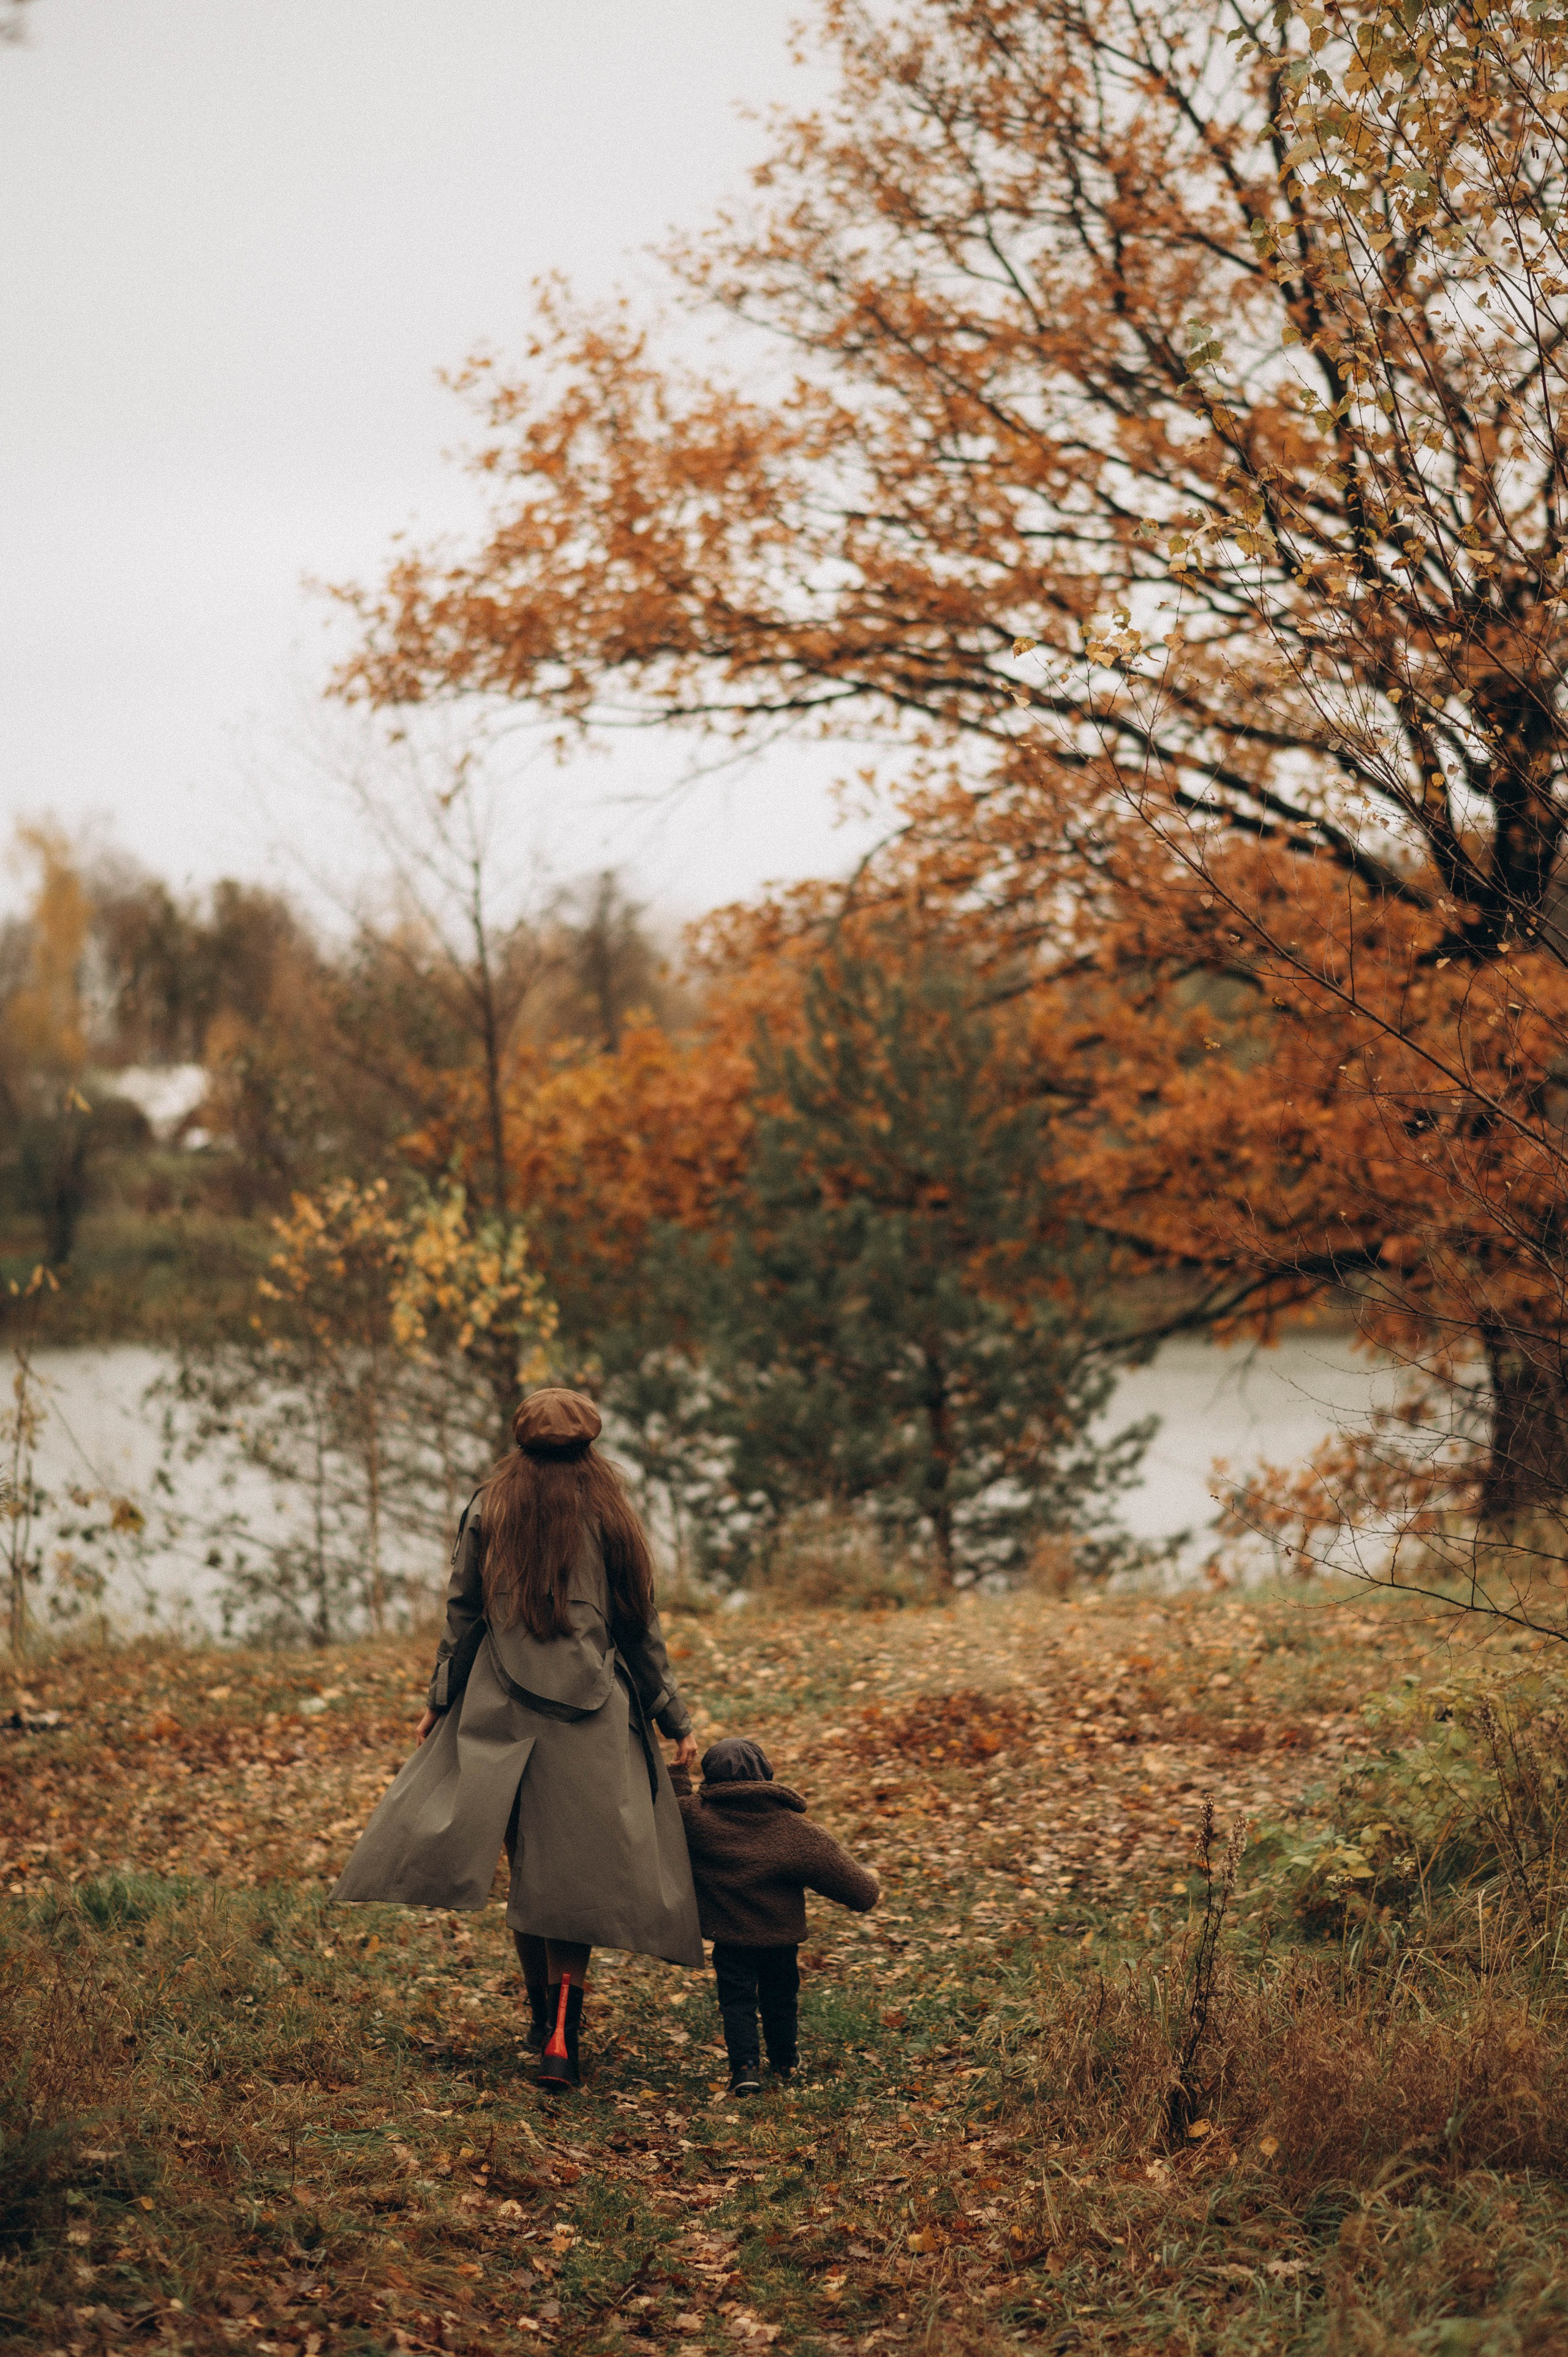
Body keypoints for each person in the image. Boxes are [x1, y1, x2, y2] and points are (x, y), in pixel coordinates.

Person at [333, 1387, 703, 2089]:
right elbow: (638, 1625)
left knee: (531, 1866)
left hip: (497, 1711)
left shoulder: (488, 1505)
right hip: (592, 1716)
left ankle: (541, 2019)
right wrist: (671, 1715)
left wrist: (440, 1700)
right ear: (589, 1448)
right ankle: (562, 2033)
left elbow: (463, 1612)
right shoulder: (612, 1513)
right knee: (571, 1875)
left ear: (522, 1445)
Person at [669, 1736, 879, 2095]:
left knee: (737, 2003)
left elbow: (671, 1811)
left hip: (730, 1939)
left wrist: (678, 1775)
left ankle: (746, 2070)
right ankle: (784, 2061)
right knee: (780, 2000)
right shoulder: (796, 1833)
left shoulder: (695, 1820)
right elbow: (861, 1892)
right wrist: (869, 1890)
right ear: (766, 1773)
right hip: (780, 1940)